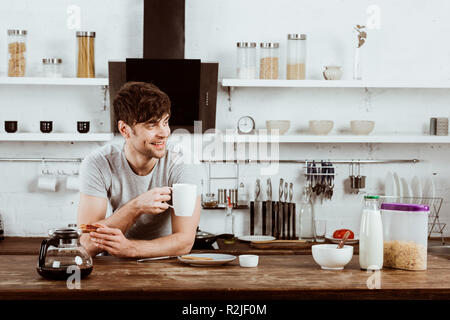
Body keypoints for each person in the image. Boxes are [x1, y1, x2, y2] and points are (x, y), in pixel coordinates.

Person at [77, 81, 203, 258]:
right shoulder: (98, 163)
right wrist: (136, 207)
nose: (164, 133)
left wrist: (130, 248)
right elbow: (87, 244)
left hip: (168, 264)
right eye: (152, 125)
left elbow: (184, 242)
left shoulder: (183, 161)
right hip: (115, 265)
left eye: (165, 122)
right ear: (125, 130)